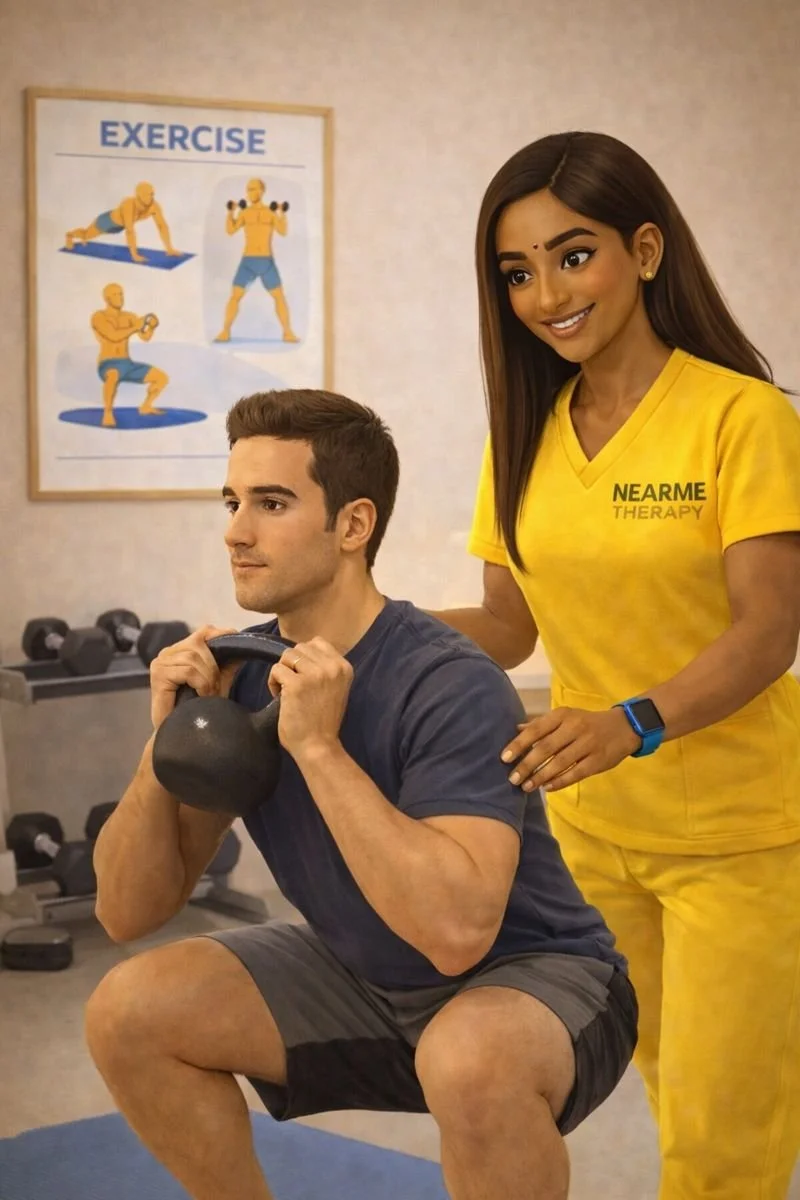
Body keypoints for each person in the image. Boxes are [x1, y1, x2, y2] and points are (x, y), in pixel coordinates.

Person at [84, 388, 637, 1200]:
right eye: (233, 502)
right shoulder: (240, 676)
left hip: (532, 978)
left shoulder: (449, 680)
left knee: (470, 1058)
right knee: (128, 1012)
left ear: (352, 525)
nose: (236, 531)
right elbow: (126, 911)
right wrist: (163, 746)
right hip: (365, 973)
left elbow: (456, 934)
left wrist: (316, 746)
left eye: (272, 504)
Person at [433, 131, 800, 1199]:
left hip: (736, 839)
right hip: (591, 837)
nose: (544, 292)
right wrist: (356, 631)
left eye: (571, 254)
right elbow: (509, 624)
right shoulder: (523, 433)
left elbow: (765, 632)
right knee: (657, 1088)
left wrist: (628, 721)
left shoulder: (740, 417)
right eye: (516, 271)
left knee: (717, 1138)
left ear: (643, 250)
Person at [214, 178, 298, 344]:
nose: (252, 192)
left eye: (255, 189)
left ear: (262, 190)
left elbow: (282, 231)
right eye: (249, 189)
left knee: (279, 297)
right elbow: (230, 230)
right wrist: (231, 212)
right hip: (248, 262)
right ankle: (225, 331)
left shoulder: (270, 212)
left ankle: (288, 333)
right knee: (235, 297)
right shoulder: (244, 213)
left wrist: (282, 212)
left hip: (266, 261)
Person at [90, 283, 168, 427]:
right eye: (115, 294)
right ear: (106, 298)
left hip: (127, 363)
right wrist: (135, 327)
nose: (120, 298)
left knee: (161, 378)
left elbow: (145, 337)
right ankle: (107, 412)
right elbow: (113, 336)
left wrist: (151, 326)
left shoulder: (129, 316)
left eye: (121, 294)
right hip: (108, 363)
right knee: (113, 375)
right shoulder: (99, 316)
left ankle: (146, 406)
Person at [66, 182, 180, 263]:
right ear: (139, 195)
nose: (151, 197)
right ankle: (70, 235)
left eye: (152, 194)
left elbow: (162, 226)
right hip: (107, 222)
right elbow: (130, 230)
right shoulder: (129, 204)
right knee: (86, 235)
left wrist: (169, 248)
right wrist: (134, 255)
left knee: (87, 236)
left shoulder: (154, 206)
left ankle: (77, 236)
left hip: (120, 227)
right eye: (147, 194)